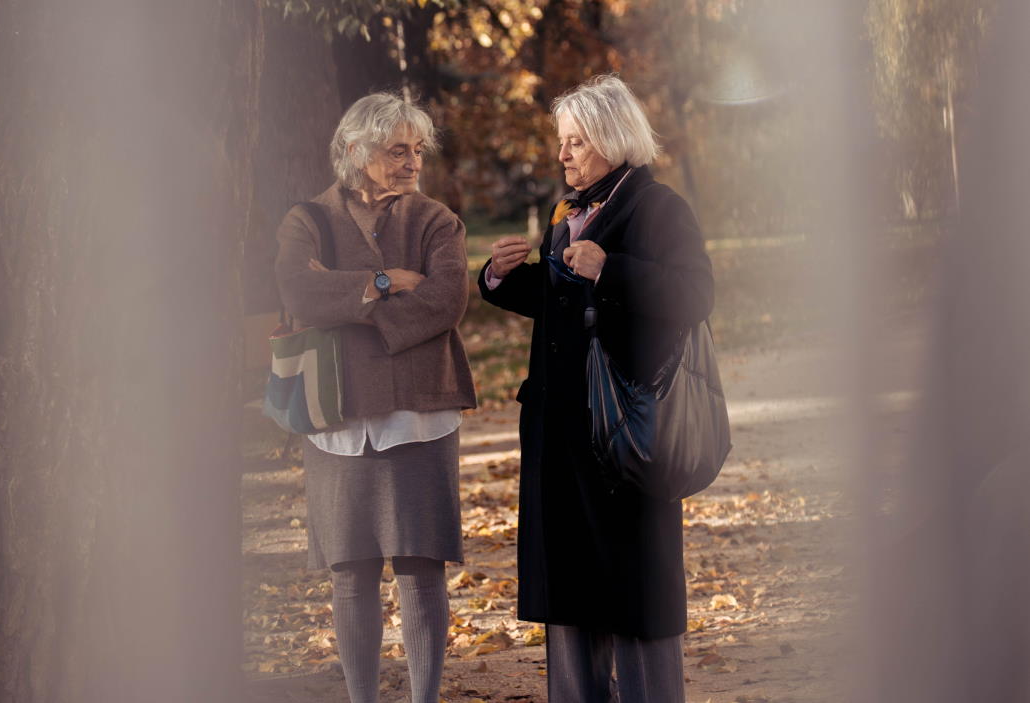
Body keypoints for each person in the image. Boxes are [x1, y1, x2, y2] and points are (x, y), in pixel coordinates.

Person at [478, 74, 715, 703]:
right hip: (564, 442)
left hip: (624, 440)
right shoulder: (567, 214)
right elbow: (562, 303)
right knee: (574, 602)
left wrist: (613, 268)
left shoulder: (657, 206)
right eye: (562, 141)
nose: (563, 155)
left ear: (612, 139)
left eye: (576, 142)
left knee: (633, 598)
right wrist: (501, 280)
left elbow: (695, 293)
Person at [274, 92, 476, 703]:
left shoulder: (436, 220)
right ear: (358, 152)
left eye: (417, 150)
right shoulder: (307, 219)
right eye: (398, 150)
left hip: (420, 415)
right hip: (334, 417)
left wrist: (357, 318)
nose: (413, 162)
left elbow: (446, 300)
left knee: (421, 569)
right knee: (351, 571)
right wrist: (382, 284)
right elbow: (299, 293)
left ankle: (425, 700)